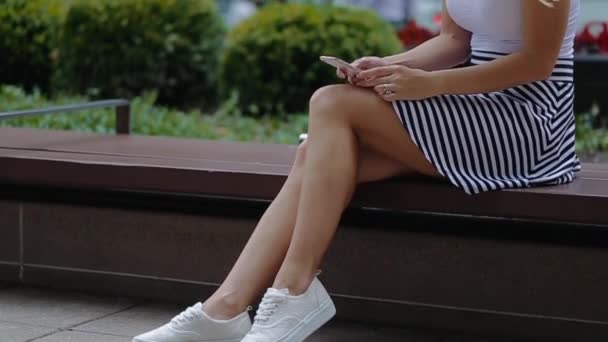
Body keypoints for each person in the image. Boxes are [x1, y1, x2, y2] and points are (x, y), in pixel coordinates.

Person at [133, 0, 581, 341]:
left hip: (528, 122)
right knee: (317, 155)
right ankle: (224, 309)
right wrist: (389, 65)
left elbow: (538, 63)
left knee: (330, 104)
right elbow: (454, 43)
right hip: (472, 105)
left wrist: (430, 86)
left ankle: (294, 288)